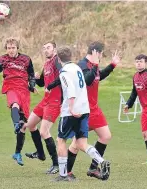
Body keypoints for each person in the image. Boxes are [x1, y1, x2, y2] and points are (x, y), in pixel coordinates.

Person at [47, 41, 120, 180]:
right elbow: (87, 80)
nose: (102, 56)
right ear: (96, 52)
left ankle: (86, 169)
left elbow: (97, 77)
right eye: (101, 53)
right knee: (77, 144)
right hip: (85, 109)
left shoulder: (79, 67)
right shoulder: (81, 65)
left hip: (83, 108)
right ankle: (73, 171)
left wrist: (112, 65)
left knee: (82, 141)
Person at [0, 37, 36, 166]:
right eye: (9, 48)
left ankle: (17, 153)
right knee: (14, 104)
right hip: (11, 86)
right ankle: (16, 124)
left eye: (13, 48)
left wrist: (32, 85)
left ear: (17, 48)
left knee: (24, 126)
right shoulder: (3, 59)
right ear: (6, 48)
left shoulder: (26, 59)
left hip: (23, 89)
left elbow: (31, 74)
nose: (11, 50)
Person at [24, 41, 62, 174]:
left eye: (49, 47)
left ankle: (56, 164)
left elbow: (62, 76)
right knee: (30, 124)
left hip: (55, 102)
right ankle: (40, 153)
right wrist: (36, 79)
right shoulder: (46, 64)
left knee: (44, 132)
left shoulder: (57, 61)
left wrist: (51, 86)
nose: (46, 50)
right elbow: (42, 83)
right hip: (45, 100)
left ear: (55, 50)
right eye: (44, 48)